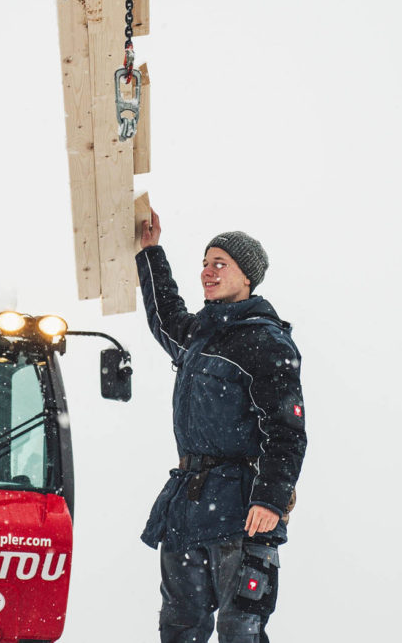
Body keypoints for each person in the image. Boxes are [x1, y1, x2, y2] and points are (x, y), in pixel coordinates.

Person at [136, 209, 306, 643]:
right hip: (188, 506)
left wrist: (270, 499)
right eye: (205, 263)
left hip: (242, 511)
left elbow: (286, 432)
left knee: (240, 630)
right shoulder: (202, 335)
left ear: (246, 277)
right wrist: (151, 252)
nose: (207, 272)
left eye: (220, 264)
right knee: (179, 628)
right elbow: (165, 317)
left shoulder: (266, 343)